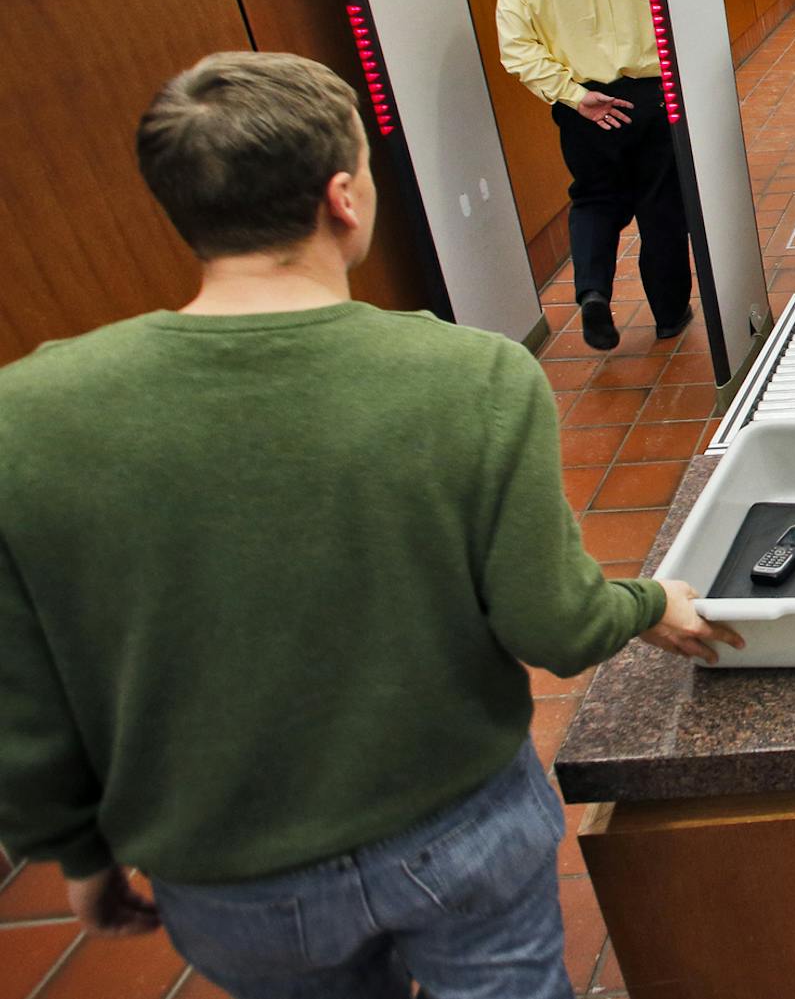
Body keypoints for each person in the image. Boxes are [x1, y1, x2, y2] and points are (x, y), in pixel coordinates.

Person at [0, 52, 737, 998]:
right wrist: (650, 602)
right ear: (343, 198)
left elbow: (25, 696)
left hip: (226, 870)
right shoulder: (470, 376)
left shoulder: (28, 418)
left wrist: (76, 850)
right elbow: (553, 624)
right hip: (457, 825)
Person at [497, 0, 692, 352]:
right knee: (661, 204)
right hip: (650, 97)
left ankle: (593, 294)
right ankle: (669, 316)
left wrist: (575, 95)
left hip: (582, 104)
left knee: (594, 199)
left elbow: (516, 49)